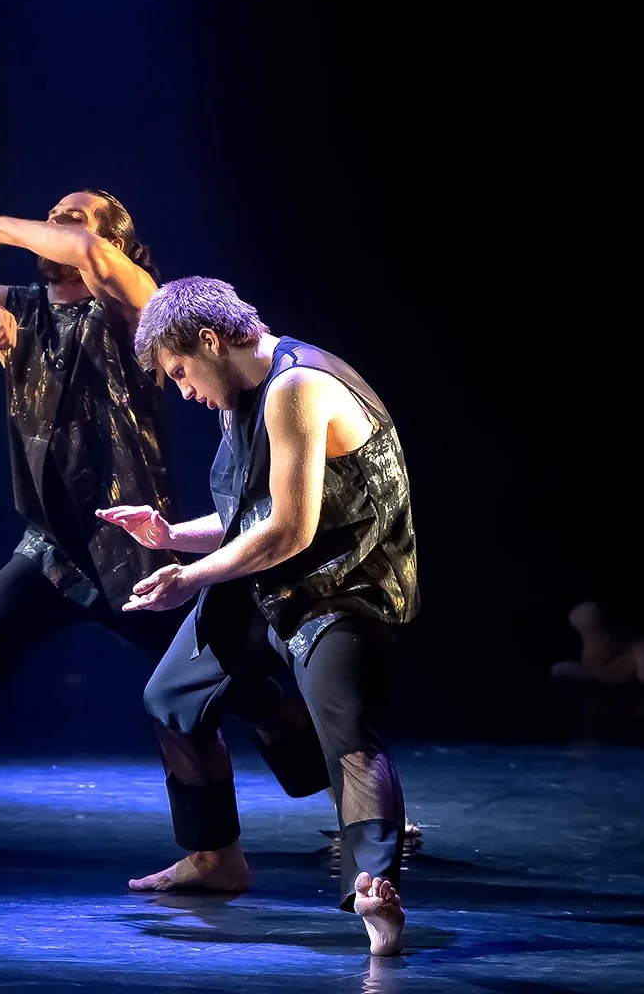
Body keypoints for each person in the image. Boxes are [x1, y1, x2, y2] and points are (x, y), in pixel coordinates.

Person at [0, 193, 327, 860]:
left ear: (117, 243)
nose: (57, 223)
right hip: (50, 552)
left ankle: (345, 799)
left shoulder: (139, 314)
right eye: (54, 213)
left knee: (244, 691)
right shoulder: (21, 310)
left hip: (134, 551)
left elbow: (90, 255)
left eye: (75, 216)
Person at [102, 276, 417, 955]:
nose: (184, 391)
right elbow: (251, 517)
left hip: (345, 587)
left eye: (181, 372)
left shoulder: (297, 386)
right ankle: (215, 859)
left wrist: (188, 577)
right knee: (173, 696)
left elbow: (290, 531)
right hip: (270, 581)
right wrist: (171, 536)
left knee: (345, 727)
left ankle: (375, 890)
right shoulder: (240, 395)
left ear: (210, 341)